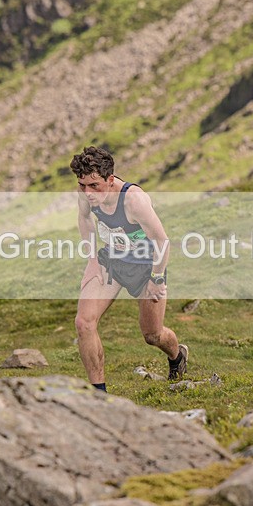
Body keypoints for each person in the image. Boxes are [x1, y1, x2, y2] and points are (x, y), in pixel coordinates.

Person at [71, 146, 188, 392]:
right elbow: (84, 220)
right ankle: (99, 394)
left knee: (152, 335)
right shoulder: (85, 193)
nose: (87, 193)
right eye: (82, 185)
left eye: (94, 186)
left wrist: (157, 277)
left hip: (147, 266)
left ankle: (177, 356)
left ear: (110, 180)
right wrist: (93, 260)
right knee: (84, 322)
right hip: (112, 261)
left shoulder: (134, 200)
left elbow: (162, 241)